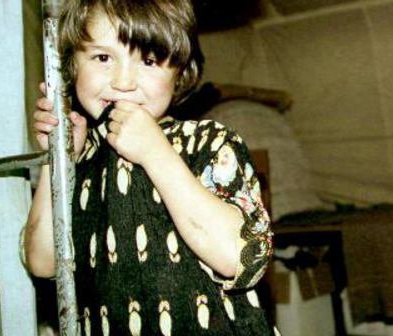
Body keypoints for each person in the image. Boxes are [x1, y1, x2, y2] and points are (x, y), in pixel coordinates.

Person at [23, 0, 278, 335]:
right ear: (73, 66)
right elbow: (43, 262)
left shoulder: (208, 143)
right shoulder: (82, 160)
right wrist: (60, 161)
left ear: (181, 73)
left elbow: (239, 257)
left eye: (149, 60)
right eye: (102, 58)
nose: (124, 81)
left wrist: (155, 151)